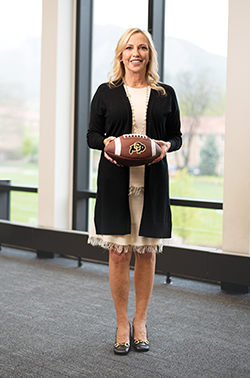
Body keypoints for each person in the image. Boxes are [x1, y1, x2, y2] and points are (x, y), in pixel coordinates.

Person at [87, 28, 182, 355]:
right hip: (115, 183)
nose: (136, 53)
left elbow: (177, 137)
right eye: (130, 47)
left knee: (145, 253)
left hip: (152, 183)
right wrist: (108, 143)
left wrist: (166, 145)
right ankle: (120, 323)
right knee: (118, 253)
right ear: (121, 53)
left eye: (142, 47)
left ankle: (140, 322)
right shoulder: (105, 92)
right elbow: (92, 135)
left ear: (149, 54)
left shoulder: (165, 93)